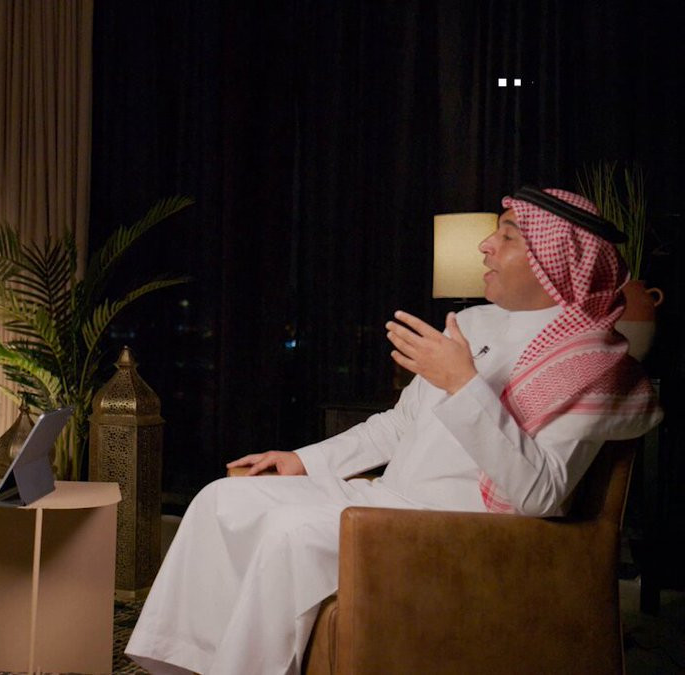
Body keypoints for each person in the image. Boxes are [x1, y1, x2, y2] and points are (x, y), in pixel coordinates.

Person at [125, 187, 662, 675]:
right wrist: (304, 460)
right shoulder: (472, 323)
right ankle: (180, 667)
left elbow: (540, 493)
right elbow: (399, 424)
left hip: (462, 529)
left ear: (556, 263)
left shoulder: (591, 365)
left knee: (290, 531)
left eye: (507, 236)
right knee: (221, 499)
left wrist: (462, 383)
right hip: (391, 499)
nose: (485, 246)